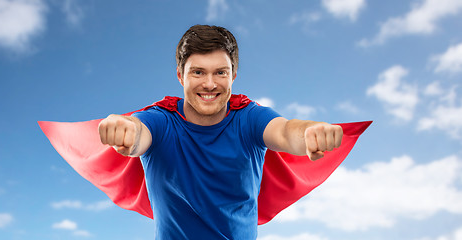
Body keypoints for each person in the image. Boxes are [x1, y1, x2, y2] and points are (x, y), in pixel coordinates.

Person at [97, 25, 343, 239]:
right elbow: (139, 131)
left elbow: (286, 132)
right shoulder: (161, 119)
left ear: (233, 75)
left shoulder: (249, 117)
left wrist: (310, 131)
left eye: (220, 72)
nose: (210, 84)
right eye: (198, 72)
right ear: (180, 77)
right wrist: (126, 128)